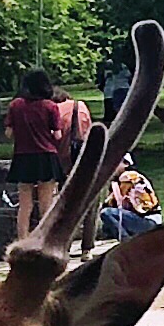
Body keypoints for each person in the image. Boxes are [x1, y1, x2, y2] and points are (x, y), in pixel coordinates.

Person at [4, 70, 64, 240]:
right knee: (46, 202)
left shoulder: (16, 105)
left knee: (25, 204)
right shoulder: (50, 106)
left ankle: (23, 239)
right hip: (46, 156)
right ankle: (45, 238)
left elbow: (9, 132)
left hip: (23, 156)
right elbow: (58, 135)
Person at [52, 86, 98, 256]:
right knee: (90, 204)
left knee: (66, 205)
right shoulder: (81, 106)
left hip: (65, 162)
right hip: (87, 159)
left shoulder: (54, 110)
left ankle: (65, 245)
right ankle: (88, 248)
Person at [99, 154, 164, 239]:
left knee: (106, 213)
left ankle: (125, 240)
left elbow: (115, 204)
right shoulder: (120, 181)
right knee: (107, 225)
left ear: (126, 164)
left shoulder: (128, 177)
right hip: (149, 221)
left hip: (148, 221)